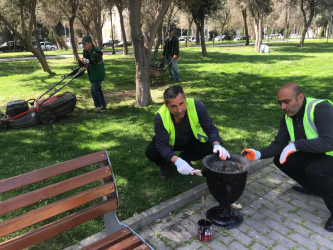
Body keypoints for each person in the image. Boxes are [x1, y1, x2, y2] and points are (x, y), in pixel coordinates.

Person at [242, 82, 333, 232]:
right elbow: (279, 143)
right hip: (316, 152)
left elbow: (330, 142)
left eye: (286, 101)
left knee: (316, 171)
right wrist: (258, 154)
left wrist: (297, 145)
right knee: (280, 160)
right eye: (280, 103)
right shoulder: (288, 116)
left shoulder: (321, 108)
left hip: (330, 152)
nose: (283, 107)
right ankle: (314, 187)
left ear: (300, 97)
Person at [145, 85, 230, 179]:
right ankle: (165, 164)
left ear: (185, 97)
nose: (179, 110)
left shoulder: (197, 106)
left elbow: (210, 128)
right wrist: (177, 161)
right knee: (151, 151)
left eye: (181, 103)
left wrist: (216, 144)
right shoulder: (160, 116)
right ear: (166, 104)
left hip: (190, 139)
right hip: (170, 143)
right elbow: (162, 145)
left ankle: (185, 158)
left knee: (212, 147)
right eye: (173, 106)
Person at [78, 35, 106, 112]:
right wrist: (81, 63)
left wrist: (87, 61)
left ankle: (98, 106)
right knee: (98, 89)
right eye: (82, 44)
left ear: (90, 43)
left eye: (84, 44)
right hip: (92, 74)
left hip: (99, 74)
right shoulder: (85, 51)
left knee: (94, 89)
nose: (83, 46)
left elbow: (95, 61)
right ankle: (103, 105)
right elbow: (85, 62)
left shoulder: (97, 51)